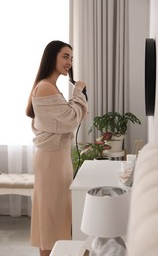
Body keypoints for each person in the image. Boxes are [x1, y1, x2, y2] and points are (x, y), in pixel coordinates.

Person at [26, 40, 88, 256]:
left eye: (71, 58)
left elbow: (67, 119)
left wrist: (75, 97)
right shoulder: (44, 87)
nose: (69, 62)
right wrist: (78, 91)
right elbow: (71, 119)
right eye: (65, 56)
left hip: (58, 158)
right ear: (51, 56)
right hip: (51, 160)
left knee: (57, 216)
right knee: (51, 217)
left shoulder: (51, 87)